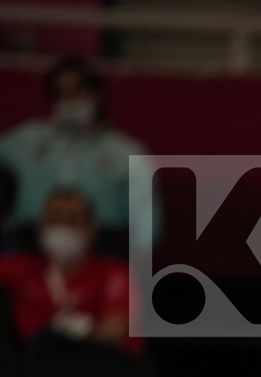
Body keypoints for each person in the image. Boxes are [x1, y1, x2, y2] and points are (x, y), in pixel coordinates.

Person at [0, 58, 149, 246]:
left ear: (98, 94)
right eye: (60, 94)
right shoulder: (26, 139)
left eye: (77, 92)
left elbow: (148, 230)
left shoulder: (126, 153)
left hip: (100, 245)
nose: (69, 101)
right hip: (31, 241)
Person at [0, 186, 140, 354]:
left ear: (91, 229)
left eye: (72, 221)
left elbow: (116, 330)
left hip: (100, 368)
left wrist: (84, 330)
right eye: (54, 219)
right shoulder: (20, 268)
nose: (62, 229)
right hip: (36, 370)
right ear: (39, 226)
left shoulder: (114, 273)